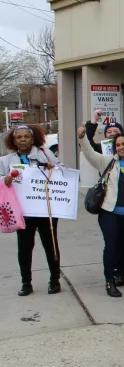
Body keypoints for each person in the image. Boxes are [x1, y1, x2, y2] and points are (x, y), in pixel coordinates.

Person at [77, 125, 124, 298]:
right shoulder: (108, 161)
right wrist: (82, 138)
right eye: (118, 145)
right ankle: (110, 281)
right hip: (110, 214)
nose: (121, 147)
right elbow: (90, 154)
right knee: (111, 247)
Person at [0, 125, 62, 296]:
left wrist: (53, 168)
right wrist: (4, 180)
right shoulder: (6, 160)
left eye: (26, 136)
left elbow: (62, 173)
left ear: (33, 139)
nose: (22, 140)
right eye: (18, 137)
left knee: (51, 246)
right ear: (13, 141)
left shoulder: (45, 154)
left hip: (46, 210)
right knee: (25, 248)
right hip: (23, 212)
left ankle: (54, 280)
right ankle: (26, 282)